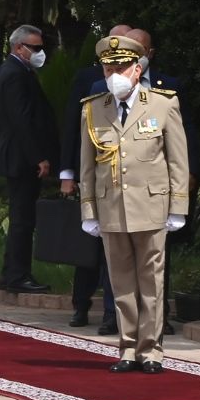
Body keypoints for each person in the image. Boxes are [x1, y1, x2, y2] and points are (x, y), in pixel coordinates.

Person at [80, 35, 189, 374]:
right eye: (108, 66)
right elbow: (87, 164)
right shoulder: (93, 107)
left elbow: (177, 160)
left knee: (151, 280)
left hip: (151, 207)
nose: (113, 72)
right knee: (121, 281)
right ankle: (128, 347)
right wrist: (88, 210)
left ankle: (152, 349)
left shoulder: (162, 103)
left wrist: (177, 207)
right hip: (112, 207)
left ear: (137, 68)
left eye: (121, 66)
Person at [125, 27, 200, 336]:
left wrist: (189, 173)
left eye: (140, 51)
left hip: (155, 189)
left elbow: (184, 134)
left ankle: (157, 318)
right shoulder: (103, 90)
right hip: (121, 188)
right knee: (119, 262)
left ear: (150, 54)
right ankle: (115, 317)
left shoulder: (167, 88)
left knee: (156, 259)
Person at [60, 23, 132, 334]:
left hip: (132, 189)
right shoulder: (91, 86)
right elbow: (75, 132)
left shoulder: (155, 95)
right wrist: (69, 173)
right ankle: (81, 304)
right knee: (89, 253)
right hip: (101, 184)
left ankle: (112, 315)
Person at [0, 24, 60, 294]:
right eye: (35, 48)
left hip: (22, 156)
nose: (39, 52)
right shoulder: (14, 74)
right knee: (22, 219)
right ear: (19, 47)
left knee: (23, 218)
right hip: (21, 158)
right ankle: (16, 276)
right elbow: (22, 120)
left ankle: (13, 273)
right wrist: (38, 157)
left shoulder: (21, 71)